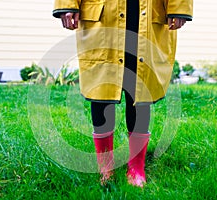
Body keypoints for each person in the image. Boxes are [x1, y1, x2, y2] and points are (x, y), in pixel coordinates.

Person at [53, 0, 193, 187]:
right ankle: (105, 168)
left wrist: (178, 7)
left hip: (147, 13)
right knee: (102, 91)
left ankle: (136, 167)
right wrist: (67, 4)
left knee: (140, 92)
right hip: (104, 16)